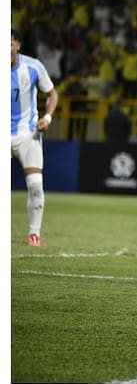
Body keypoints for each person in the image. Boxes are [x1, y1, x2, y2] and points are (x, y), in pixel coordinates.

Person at [11, 27, 59, 247]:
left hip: (28, 134)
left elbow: (52, 94)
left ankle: (34, 233)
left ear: (18, 45)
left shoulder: (33, 67)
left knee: (35, 184)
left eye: (9, 43)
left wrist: (47, 118)